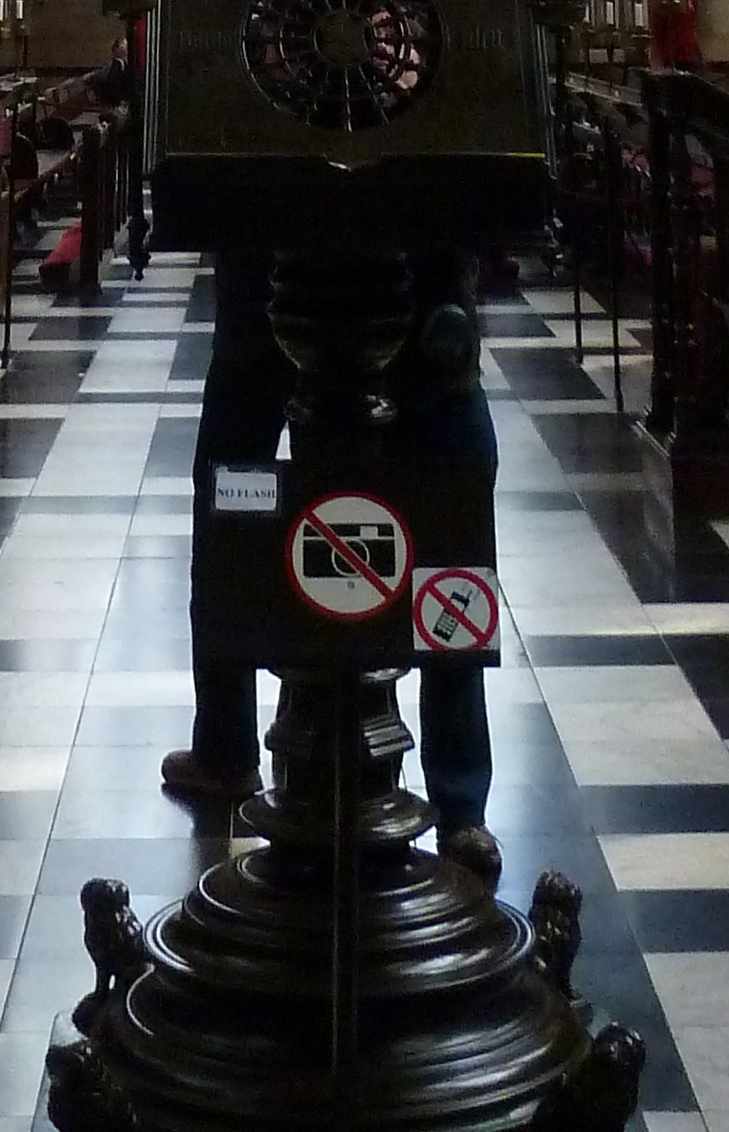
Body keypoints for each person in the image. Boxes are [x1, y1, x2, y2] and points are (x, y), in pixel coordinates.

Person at [163, 247, 500, 883]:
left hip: (386, 286)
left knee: (452, 518)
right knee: (233, 495)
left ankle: (459, 803)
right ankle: (227, 744)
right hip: (293, 281)